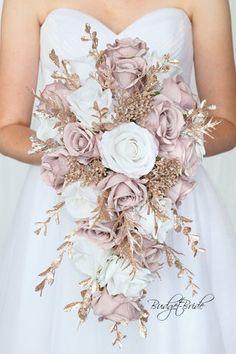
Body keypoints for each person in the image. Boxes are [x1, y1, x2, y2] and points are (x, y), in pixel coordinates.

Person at [0, 0, 235, 353]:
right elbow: (7, 128)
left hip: (170, 206)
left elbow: (227, 125)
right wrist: (85, 151)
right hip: (69, 205)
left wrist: (155, 146)